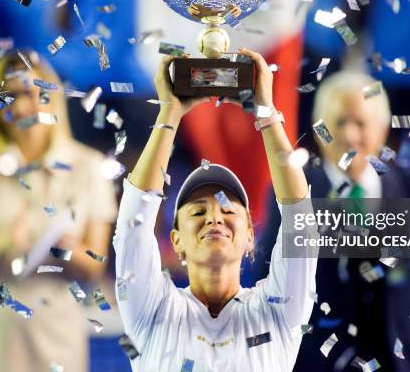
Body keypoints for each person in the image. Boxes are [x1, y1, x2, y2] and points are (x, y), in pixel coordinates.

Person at [113, 48, 318, 371]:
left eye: (228, 210)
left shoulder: (277, 312)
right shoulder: (152, 310)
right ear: (176, 239)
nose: (214, 217)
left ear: (251, 235)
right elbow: (133, 224)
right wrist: (169, 113)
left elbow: (300, 222)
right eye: (197, 212)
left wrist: (267, 113)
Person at [260, 70, 410, 371]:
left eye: (361, 123)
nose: (350, 136)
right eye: (339, 123)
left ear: (382, 130)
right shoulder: (291, 200)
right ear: (318, 129)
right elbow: (269, 293)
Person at [0, 49, 117, 372]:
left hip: (52, 335)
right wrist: (0, 243)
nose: (29, 105)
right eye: (15, 95)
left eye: (39, 93)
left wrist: (69, 251)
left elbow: (96, 266)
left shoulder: (88, 166)